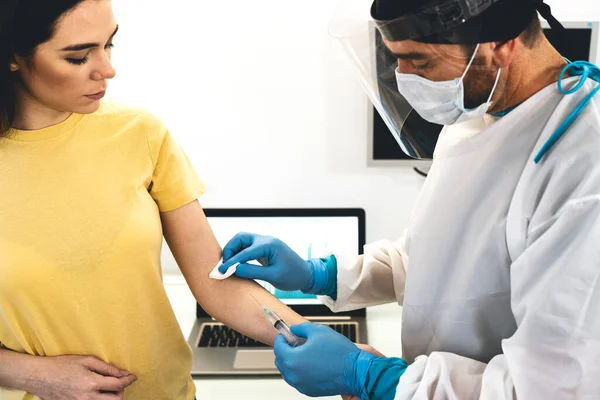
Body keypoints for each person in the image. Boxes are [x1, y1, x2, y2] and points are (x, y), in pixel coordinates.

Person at [218, 0, 600, 398]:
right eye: (396, 60)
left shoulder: (583, 168)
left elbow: (551, 388)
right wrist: (319, 274)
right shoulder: (478, 109)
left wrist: (374, 377)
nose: (404, 79)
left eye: (422, 63)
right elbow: (438, 257)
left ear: (501, 44)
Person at [0, 1, 307, 399]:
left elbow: (216, 284)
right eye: (78, 57)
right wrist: (33, 374)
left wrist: (333, 351)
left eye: (109, 44)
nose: (107, 69)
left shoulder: (139, 134)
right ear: (12, 57)